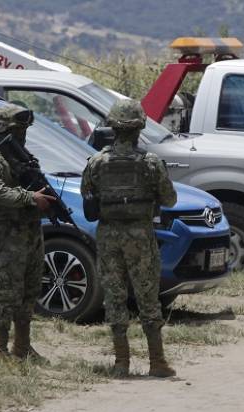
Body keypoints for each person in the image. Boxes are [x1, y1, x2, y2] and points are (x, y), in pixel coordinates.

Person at [81, 99, 177, 377]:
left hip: (109, 236)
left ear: (112, 128)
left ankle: (121, 362)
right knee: (148, 296)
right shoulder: (151, 163)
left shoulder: (97, 163)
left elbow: (88, 200)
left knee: (114, 296)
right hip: (141, 236)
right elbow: (170, 199)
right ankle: (157, 362)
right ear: (139, 129)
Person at [0, 104, 55, 360]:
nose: (23, 134)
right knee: (9, 292)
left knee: (30, 290)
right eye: (18, 129)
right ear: (4, 131)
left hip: (31, 231)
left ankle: (22, 347)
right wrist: (30, 197)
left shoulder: (23, 158)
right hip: (9, 233)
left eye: (24, 130)